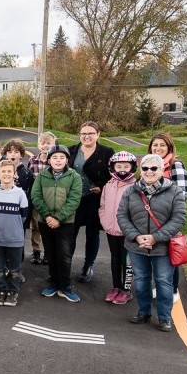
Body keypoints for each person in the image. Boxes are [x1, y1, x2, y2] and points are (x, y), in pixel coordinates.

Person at [118, 154, 187, 332]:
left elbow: (178, 218)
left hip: (162, 247)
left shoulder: (174, 191)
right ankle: (143, 312)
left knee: (164, 282)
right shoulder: (130, 191)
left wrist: (156, 237)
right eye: (145, 168)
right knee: (141, 281)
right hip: (137, 246)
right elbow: (122, 216)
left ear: (161, 170)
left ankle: (164, 317)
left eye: (154, 168)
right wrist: (136, 236)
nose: (149, 172)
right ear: (141, 171)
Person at [31, 145, 83, 303]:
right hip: (45, 221)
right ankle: (53, 283)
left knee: (65, 255)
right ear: (49, 160)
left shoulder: (74, 176)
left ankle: (65, 286)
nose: (58, 160)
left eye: (62, 158)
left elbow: (74, 200)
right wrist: (47, 216)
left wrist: (58, 218)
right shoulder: (41, 176)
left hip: (65, 223)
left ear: (67, 160)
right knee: (51, 253)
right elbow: (36, 196)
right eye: (55, 157)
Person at [69, 121, 115, 283]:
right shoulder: (71, 151)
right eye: (83, 133)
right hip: (74, 199)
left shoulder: (106, 152)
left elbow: (113, 175)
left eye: (90, 133)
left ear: (98, 135)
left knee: (92, 233)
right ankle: (66, 264)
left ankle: (88, 266)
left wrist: (101, 187)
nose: (87, 136)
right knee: (70, 232)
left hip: (95, 199)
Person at [148, 132, 187, 292]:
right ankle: (161, 287)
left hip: (168, 218)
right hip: (151, 218)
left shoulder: (175, 165)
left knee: (170, 254)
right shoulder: (150, 165)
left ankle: (172, 290)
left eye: (162, 145)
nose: (158, 148)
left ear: (169, 147)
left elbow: (183, 194)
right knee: (157, 254)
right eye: (155, 145)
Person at [0, 160, 29, 307]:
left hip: (15, 238)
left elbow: (23, 216)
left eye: (9, 171)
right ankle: (1, 291)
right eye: (3, 171)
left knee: (15, 269)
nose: (6, 174)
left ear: (14, 174)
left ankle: (12, 292)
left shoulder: (20, 194)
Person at [99, 151, 137, 306]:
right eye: (119, 166)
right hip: (111, 229)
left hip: (127, 232)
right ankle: (116, 287)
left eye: (126, 166)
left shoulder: (135, 187)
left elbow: (138, 211)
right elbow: (102, 206)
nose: (122, 169)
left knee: (126, 261)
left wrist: (132, 229)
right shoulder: (108, 185)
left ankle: (126, 290)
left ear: (132, 167)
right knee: (114, 258)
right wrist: (105, 222)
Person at [28, 132, 56, 265]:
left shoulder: (55, 161)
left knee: (49, 227)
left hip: (50, 199)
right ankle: (36, 251)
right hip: (37, 199)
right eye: (42, 143)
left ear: (53, 144)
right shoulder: (33, 160)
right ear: (38, 144)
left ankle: (48, 252)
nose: (45, 146)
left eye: (48, 143)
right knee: (36, 227)